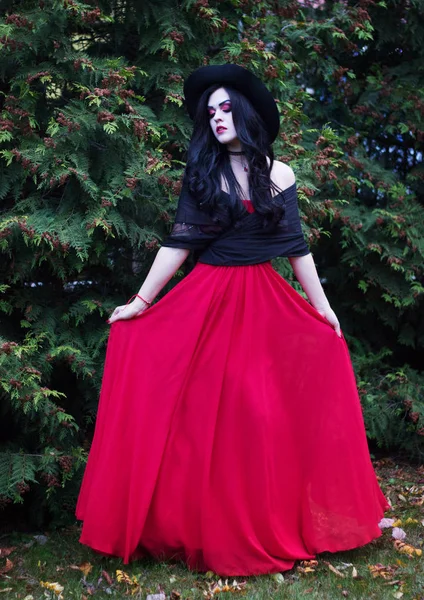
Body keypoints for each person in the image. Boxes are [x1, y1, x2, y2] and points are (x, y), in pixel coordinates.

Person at [75, 64, 390, 576]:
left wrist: (323, 308)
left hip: (263, 303)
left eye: (226, 108)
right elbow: (179, 243)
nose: (217, 118)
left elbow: (295, 248)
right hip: (207, 301)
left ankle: (261, 524)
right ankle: (195, 529)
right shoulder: (204, 172)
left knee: (259, 416)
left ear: (245, 114)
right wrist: (141, 302)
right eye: (211, 111)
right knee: (202, 422)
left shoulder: (281, 174)